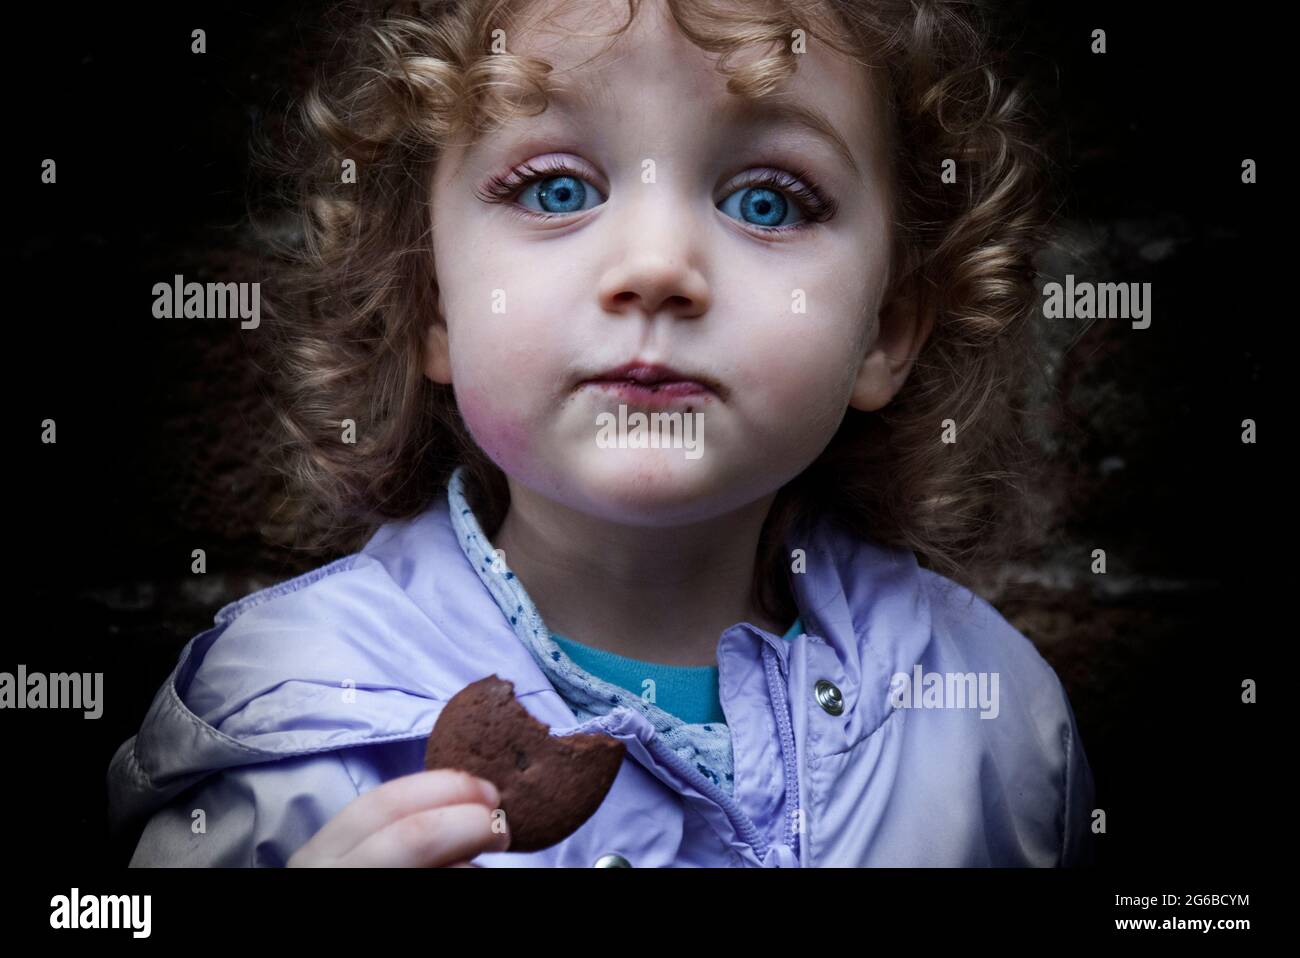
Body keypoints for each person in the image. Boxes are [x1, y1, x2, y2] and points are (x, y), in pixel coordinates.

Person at [107, 0, 1095, 867]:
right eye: (556, 189)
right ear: (433, 302)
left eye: (766, 201)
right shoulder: (287, 729)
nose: (657, 265)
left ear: (885, 328)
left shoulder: (988, 718)